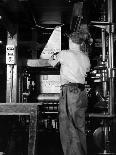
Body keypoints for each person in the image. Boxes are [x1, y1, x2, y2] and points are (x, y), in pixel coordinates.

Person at [48, 31, 91, 155]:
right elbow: (86, 69)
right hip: (82, 92)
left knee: (68, 126)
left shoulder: (64, 54)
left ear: (71, 41)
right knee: (79, 126)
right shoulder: (85, 57)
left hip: (69, 91)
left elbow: (51, 62)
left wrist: (53, 56)